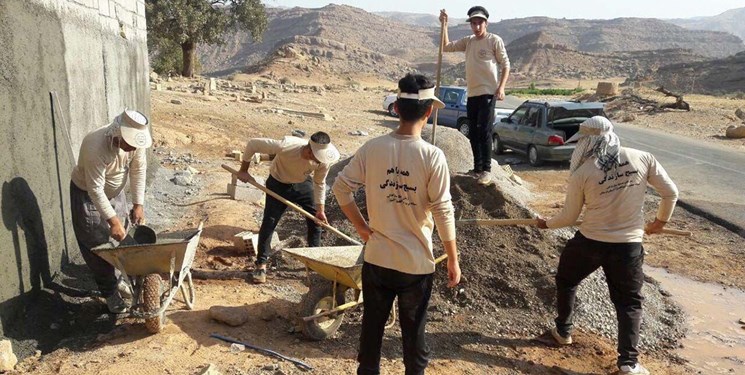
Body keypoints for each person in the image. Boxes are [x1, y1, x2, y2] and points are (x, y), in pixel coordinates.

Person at [333, 73, 461, 375]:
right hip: (415, 265)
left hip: (377, 260)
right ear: (429, 112)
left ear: (397, 109)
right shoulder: (432, 156)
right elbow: (444, 209)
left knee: (371, 336)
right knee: (414, 339)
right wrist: (453, 258)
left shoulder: (372, 148)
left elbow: (340, 188)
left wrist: (363, 229)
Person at [535, 116, 679, 375]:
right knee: (629, 303)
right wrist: (660, 222)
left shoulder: (583, 171)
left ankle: (563, 331)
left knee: (567, 280)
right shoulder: (642, 157)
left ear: (586, 141)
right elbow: (670, 192)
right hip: (628, 247)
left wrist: (546, 224)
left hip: (590, 242)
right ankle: (628, 363)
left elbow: (568, 217)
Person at [70, 109, 151, 313]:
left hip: (116, 193)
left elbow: (138, 169)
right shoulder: (95, 145)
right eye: (129, 142)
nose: (132, 147)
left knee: (121, 240)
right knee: (99, 247)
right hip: (87, 196)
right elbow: (95, 190)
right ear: (118, 133)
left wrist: (138, 204)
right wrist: (112, 221)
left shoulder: (134, 143)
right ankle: (110, 292)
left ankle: (119, 279)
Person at [236, 132, 340, 284]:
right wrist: (244, 170)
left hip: (302, 184)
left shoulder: (323, 161)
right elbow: (253, 144)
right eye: (316, 158)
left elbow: (319, 183)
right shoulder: (286, 146)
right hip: (278, 183)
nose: (317, 162)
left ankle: (314, 260)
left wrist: (320, 210)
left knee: (316, 221)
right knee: (270, 221)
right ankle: (261, 264)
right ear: (309, 150)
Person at [440, 6, 510, 185]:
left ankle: (486, 170)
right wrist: (445, 24)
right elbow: (446, 47)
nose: (477, 26)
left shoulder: (494, 40)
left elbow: (506, 65)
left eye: (479, 23)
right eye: (473, 23)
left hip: (488, 93)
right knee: (473, 131)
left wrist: (501, 88)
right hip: (472, 94)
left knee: (484, 131)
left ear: (486, 23)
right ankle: (477, 167)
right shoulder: (469, 41)